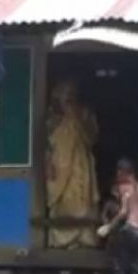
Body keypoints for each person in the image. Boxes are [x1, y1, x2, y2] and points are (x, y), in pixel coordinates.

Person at [45, 81, 100, 249]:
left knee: (83, 200)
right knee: (63, 203)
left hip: (81, 165)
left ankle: (85, 239)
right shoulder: (53, 117)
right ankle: (62, 241)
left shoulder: (84, 113)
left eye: (72, 96)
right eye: (65, 96)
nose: (69, 100)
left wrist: (78, 119)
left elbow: (92, 137)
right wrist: (48, 164)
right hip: (60, 166)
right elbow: (47, 144)